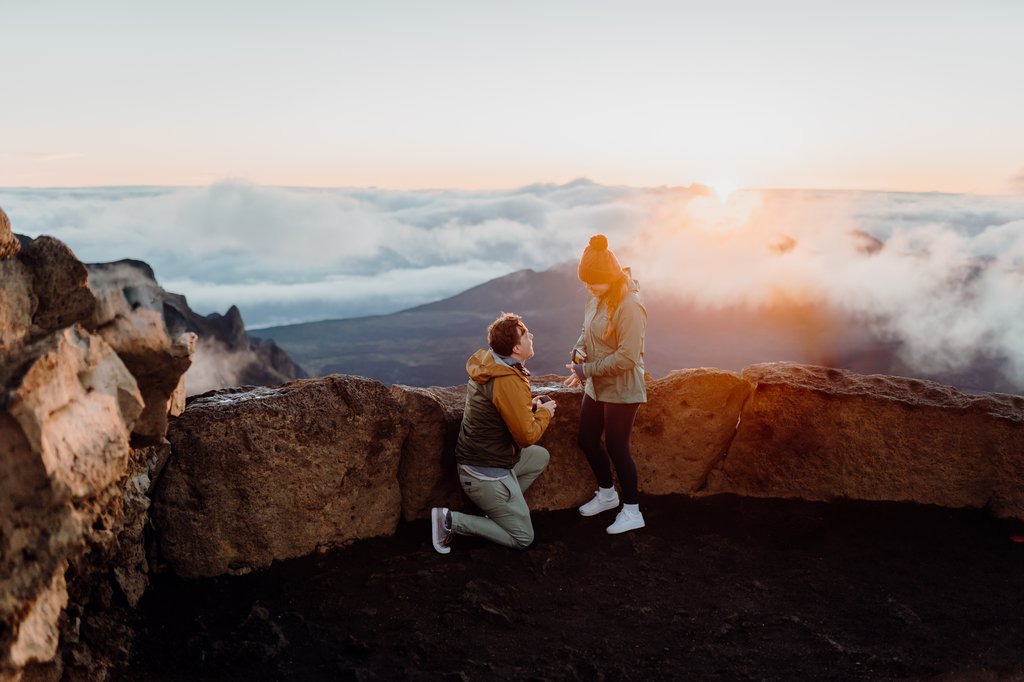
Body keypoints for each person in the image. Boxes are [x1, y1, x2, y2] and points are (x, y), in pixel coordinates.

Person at [431, 312, 557, 554]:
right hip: (485, 473)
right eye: (524, 334)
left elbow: (498, 408)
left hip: (490, 460)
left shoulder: (492, 365)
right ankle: (449, 521)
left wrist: (529, 406)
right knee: (523, 538)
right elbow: (526, 436)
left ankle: (502, 510)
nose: (531, 336)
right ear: (516, 349)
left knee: (539, 457)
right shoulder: (506, 379)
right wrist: (545, 413)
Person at [565, 234, 648, 534]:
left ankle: (632, 510)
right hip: (597, 385)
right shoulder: (596, 297)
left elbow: (627, 357)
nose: (588, 288)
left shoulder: (630, 306)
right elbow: (587, 330)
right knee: (586, 439)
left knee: (616, 446)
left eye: (593, 282)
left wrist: (586, 369)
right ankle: (607, 495)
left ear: (610, 278)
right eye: (585, 282)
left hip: (623, 387)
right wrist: (578, 349)